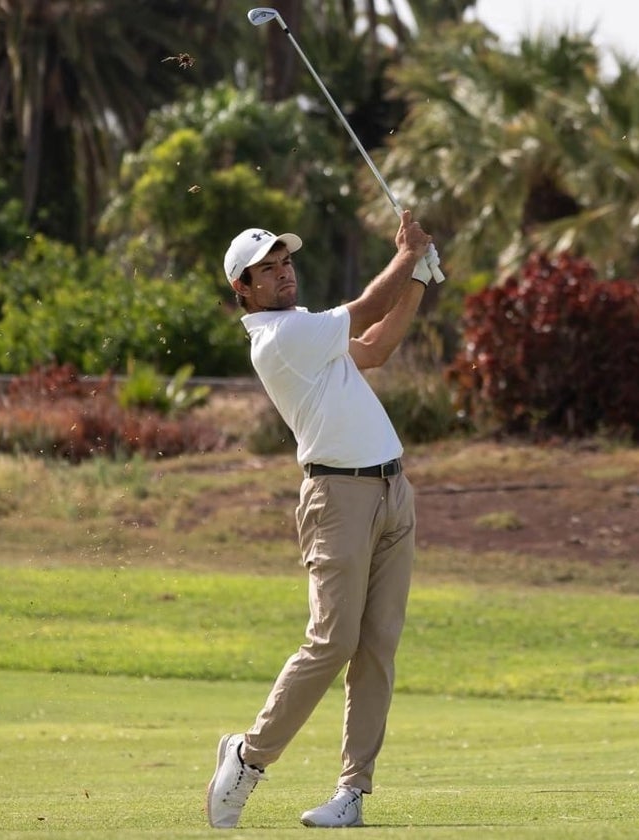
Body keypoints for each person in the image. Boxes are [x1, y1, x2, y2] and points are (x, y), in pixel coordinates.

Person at [206, 211, 439, 829]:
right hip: (338, 499)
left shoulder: (309, 331)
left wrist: (416, 279)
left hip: (393, 491)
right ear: (244, 289)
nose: (284, 274)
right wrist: (409, 256)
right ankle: (249, 757)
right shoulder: (279, 340)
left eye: (287, 263)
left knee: (377, 648)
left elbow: (380, 348)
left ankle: (351, 793)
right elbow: (365, 307)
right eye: (268, 269)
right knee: (331, 641)